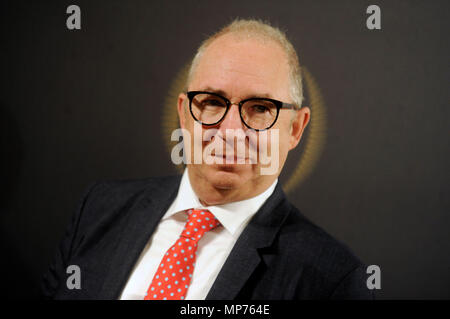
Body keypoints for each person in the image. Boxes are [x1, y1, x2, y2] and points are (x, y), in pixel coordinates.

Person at [41, 19, 373, 300]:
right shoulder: (99, 209)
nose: (230, 130)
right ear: (185, 114)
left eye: (259, 108)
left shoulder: (332, 281)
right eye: (212, 101)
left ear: (296, 128)